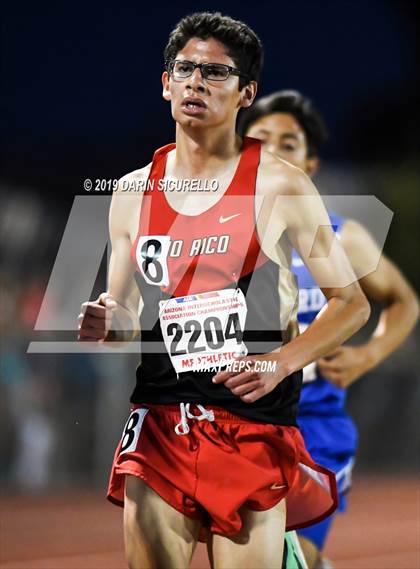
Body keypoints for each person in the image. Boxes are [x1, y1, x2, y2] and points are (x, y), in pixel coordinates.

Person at [78, 14, 370, 569]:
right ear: (165, 83)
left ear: (245, 94)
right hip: (161, 422)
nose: (196, 82)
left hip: (253, 425)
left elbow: (351, 304)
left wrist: (281, 362)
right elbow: (126, 315)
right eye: (184, 69)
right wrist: (106, 321)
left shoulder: (280, 183)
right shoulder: (131, 191)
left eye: (215, 72)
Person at [238, 89, 419, 569]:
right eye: (261, 138)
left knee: (290, 554)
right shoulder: (212, 235)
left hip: (312, 425)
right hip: (234, 422)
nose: (274, 150)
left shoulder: (340, 237)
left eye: (289, 143)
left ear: (310, 165)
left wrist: (367, 356)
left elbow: (404, 300)